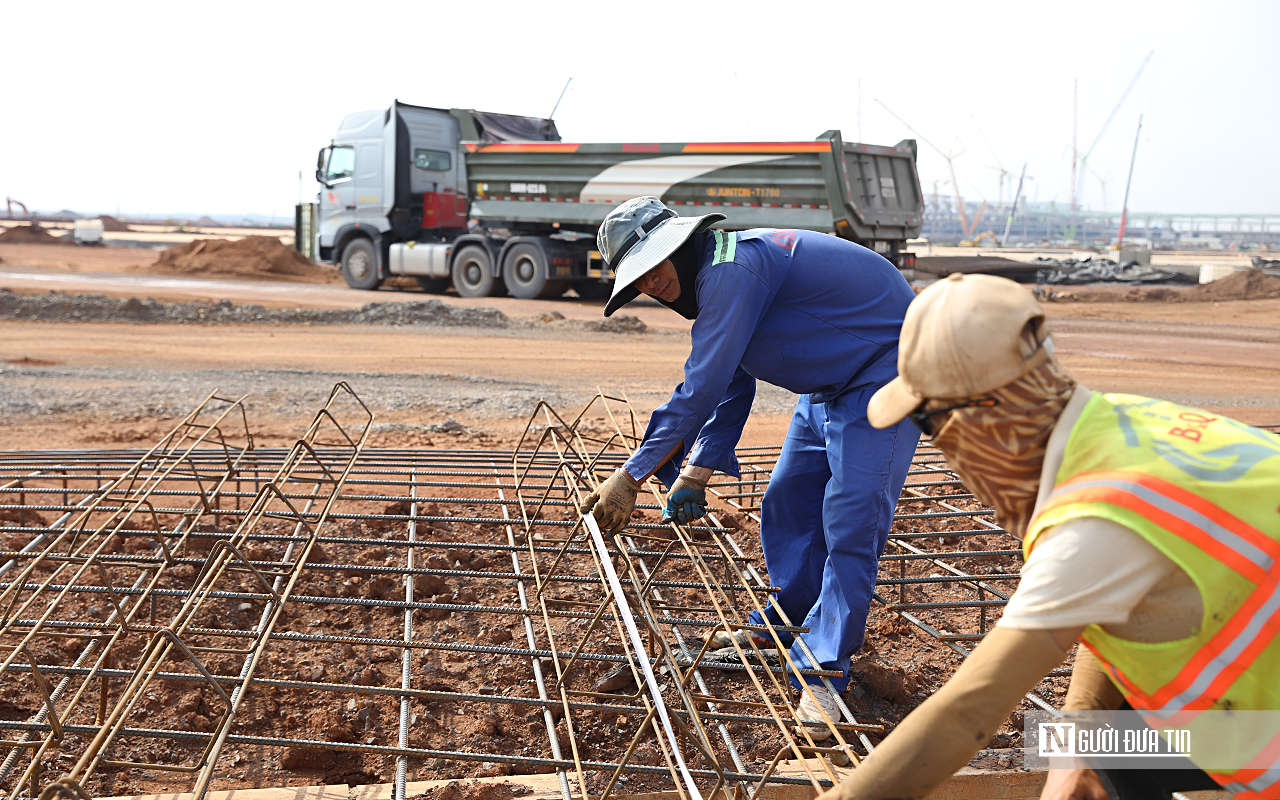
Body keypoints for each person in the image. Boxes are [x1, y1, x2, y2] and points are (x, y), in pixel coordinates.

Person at [816, 272, 1280, 800]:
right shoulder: (1126, 424)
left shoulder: (1096, 518)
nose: (937, 445)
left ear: (980, 415)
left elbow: (966, 714)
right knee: (1101, 743)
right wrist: (1077, 752)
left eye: (927, 422)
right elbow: (1117, 599)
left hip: (1264, 725)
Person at [580, 196, 920, 738]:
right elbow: (732, 385)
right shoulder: (711, 282)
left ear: (679, 245)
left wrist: (631, 475)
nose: (649, 284)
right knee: (787, 499)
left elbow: (700, 388)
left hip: (887, 372)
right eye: (637, 277)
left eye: (652, 266)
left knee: (852, 519)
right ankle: (787, 621)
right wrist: (696, 472)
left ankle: (825, 671)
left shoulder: (732, 270)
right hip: (827, 384)